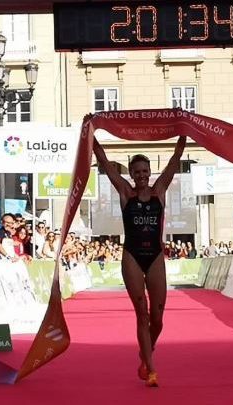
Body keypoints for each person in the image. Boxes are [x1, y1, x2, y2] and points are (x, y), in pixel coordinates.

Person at [93, 134, 186, 388]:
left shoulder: (159, 192)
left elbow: (175, 159)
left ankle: (146, 351)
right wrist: (91, 135)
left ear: (150, 172)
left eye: (145, 171)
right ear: (132, 174)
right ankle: (151, 369)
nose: (142, 175)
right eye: (137, 172)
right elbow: (105, 164)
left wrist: (183, 132)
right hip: (132, 256)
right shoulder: (126, 193)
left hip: (155, 256)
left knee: (157, 318)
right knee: (142, 314)